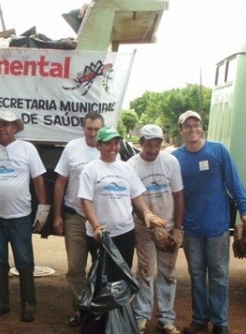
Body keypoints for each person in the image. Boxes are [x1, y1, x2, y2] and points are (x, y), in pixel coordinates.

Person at [172, 111, 246, 334]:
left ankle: (220, 322)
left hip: (217, 227)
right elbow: (173, 193)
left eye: (196, 124)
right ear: (181, 130)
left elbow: (234, 182)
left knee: (219, 275)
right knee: (197, 275)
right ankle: (199, 319)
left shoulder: (218, 150)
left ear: (202, 127)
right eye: (187, 126)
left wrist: (245, 212)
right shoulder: (176, 157)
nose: (192, 129)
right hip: (191, 229)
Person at [0, 110, 49, 323]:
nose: (2, 128)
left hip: (21, 216)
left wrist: (43, 208)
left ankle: (28, 304)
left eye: (6, 125)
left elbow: (38, 180)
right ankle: (2, 302)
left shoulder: (27, 149)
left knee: (24, 259)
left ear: (15, 127)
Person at [79, 126, 166, 268]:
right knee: (102, 278)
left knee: (124, 277)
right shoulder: (90, 169)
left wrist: (147, 213)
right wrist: (96, 227)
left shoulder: (126, 168)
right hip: (101, 236)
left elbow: (136, 195)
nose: (113, 147)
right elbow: (85, 201)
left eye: (116, 143)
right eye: (108, 143)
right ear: (99, 146)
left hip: (125, 232)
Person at [128, 124, 184, 334]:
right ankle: (141, 317)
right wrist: (148, 220)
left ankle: (166, 318)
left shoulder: (170, 161)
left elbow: (179, 195)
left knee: (168, 272)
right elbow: (133, 198)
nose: (153, 149)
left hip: (168, 225)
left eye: (157, 144)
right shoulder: (132, 165)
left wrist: (178, 227)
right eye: (149, 144)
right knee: (145, 271)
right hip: (144, 227)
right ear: (140, 143)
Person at [52, 111, 103, 327]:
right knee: (75, 268)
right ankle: (81, 310)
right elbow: (60, 183)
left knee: (100, 266)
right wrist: (56, 215)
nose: (92, 133)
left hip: (100, 220)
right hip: (74, 216)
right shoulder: (72, 147)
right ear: (83, 128)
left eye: (97, 129)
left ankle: (98, 310)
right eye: (89, 129)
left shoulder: (110, 149)